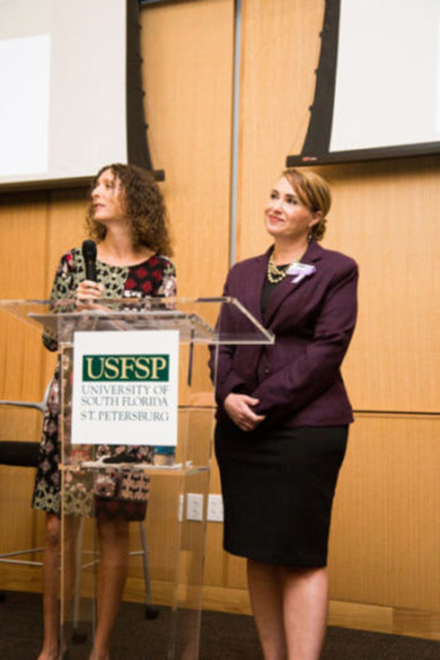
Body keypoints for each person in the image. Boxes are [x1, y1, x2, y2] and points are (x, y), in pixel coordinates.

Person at [211, 168, 358, 660]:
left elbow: (327, 351)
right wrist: (228, 395)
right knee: (259, 548)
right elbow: (221, 345)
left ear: (315, 216)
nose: (276, 206)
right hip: (239, 429)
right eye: (273, 195)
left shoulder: (337, 269)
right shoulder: (243, 272)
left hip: (305, 429)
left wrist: (262, 404)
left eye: (291, 201)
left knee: (299, 555)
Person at [32, 163, 176, 660]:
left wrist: (111, 313)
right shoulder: (75, 261)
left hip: (127, 404)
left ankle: (100, 650)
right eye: (96, 185)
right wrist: (75, 306)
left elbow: (162, 343)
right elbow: (53, 337)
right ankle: (51, 645)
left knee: (112, 525)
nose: (95, 192)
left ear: (135, 199)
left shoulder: (161, 270)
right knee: (57, 527)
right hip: (72, 402)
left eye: (108, 185)